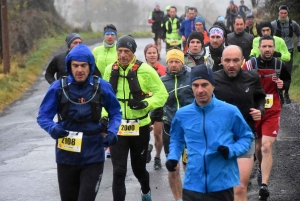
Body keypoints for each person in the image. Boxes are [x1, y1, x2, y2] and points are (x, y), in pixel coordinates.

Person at [37, 44, 122, 201]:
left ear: (90, 66)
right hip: (66, 156)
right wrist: (52, 128)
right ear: (70, 66)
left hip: (93, 155)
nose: (79, 70)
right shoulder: (58, 87)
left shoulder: (102, 86)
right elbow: (43, 116)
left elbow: (116, 112)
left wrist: (112, 131)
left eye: (83, 65)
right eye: (75, 65)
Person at [166, 64, 254, 201]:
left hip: (222, 185)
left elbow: (246, 137)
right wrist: (172, 157)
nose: (200, 90)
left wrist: (231, 150)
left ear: (213, 85)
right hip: (193, 184)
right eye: (195, 85)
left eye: (204, 84)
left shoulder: (230, 111)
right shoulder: (183, 114)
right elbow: (177, 139)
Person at [102, 35, 168, 201]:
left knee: (138, 169)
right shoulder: (110, 69)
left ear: (133, 52)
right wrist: (104, 117)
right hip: (118, 127)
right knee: (119, 171)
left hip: (140, 127)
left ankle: (145, 191)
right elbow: (104, 97)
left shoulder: (145, 70)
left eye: (127, 51)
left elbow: (162, 94)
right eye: (120, 51)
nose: (123, 55)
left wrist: (145, 104)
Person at [242, 35, 291, 200]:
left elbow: (287, 80)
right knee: (257, 147)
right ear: (259, 48)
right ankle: (261, 167)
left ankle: (264, 185)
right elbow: (241, 81)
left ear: (274, 48)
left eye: (270, 47)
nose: (268, 50)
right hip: (255, 109)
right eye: (265, 47)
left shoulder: (279, 64)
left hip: (272, 110)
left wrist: (282, 85)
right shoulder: (250, 64)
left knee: (266, 146)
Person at [214, 45, 266, 201]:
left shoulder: (252, 77)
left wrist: (260, 110)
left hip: (245, 136)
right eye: (228, 60)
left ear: (243, 61)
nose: (231, 65)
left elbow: (261, 97)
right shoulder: (213, 79)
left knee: (240, 187)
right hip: (220, 138)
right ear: (221, 61)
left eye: (236, 60)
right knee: (221, 188)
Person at [159, 48, 194, 201]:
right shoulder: (162, 81)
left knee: (189, 167)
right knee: (173, 168)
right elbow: (157, 102)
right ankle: (178, 199)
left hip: (189, 129)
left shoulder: (191, 78)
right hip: (170, 129)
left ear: (182, 63)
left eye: (177, 62)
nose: (173, 64)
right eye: (171, 62)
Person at [271, 5, 300, 104]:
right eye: (281, 13)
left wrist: (299, 44)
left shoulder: (293, 24)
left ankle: (286, 93)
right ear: (278, 13)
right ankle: (279, 93)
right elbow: (268, 37)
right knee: (276, 72)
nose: (283, 15)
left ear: (288, 13)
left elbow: (299, 34)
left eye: (285, 13)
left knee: (287, 72)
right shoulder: (273, 24)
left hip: (289, 51)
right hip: (277, 53)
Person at [144, 44, 166, 169]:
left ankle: (157, 157)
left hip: (158, 106)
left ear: (158, 54)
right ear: (145, 55)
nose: (152, 55)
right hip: (146, 106)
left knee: (158, 134)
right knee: (145, 133)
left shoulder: (163, 70)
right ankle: (147, 148)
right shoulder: (141, 69)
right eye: (149, 53)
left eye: (154, 53)